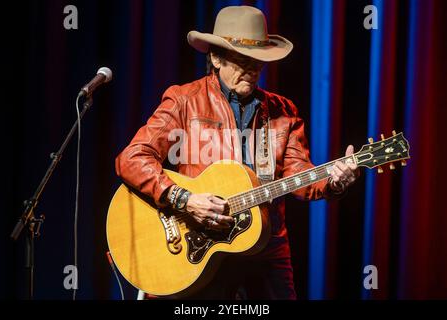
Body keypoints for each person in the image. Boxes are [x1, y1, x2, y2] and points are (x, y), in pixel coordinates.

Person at [115, 6, 359, 299]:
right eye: (242, 59)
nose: (252, 69)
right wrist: (185, 199)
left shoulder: (283, 111)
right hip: (198, 242)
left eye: (258, 61)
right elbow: (132, 159)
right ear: (216, 58)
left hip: (265, 249)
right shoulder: (184, 100)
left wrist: (332, 181)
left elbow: (300, 176)